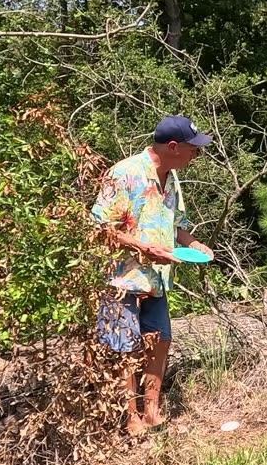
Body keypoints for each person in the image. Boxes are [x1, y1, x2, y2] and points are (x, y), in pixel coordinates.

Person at [91, 115, 214, 435]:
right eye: (193, 149)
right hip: (121, 278)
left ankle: (152, 410)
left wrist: (196, 244)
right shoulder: (125, 173)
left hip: (157, 279)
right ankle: (129, 416)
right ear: (173, 147)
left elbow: (177, 227)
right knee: (124, 347)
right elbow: (99, 228)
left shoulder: (171, 179)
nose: (196, 155)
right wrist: (142, 248)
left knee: (160, 340)